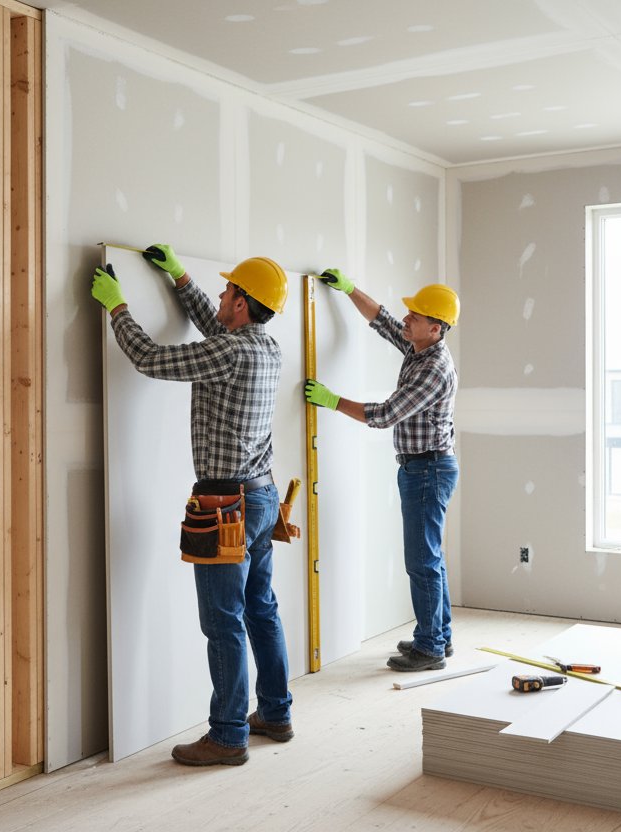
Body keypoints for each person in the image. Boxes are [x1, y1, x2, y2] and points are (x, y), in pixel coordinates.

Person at [91, 244, 294, 765]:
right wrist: (181, 279)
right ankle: (275, 713)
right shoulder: (266, 347)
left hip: (225, 505)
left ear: (243, 303)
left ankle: (228, 736)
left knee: (223, 622)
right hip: (261, 496)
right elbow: (216, 327)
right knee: (261, 610)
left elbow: (149, 358)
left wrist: (117, 306)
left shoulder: (229, 353)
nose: (220, 296)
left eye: (227, 291)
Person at [304, 269, 459, 672]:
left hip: (428, 471)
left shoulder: (434, 368)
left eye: (415, 316)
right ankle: (438, 636)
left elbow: (387, 414)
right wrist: (349, 289)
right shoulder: (419, 347)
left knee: (422, 561)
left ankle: (430, 647)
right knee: (430, 557)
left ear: (436, 328)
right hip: (423, 468)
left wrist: (332, 400)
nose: (407, 319)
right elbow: (383, 320)